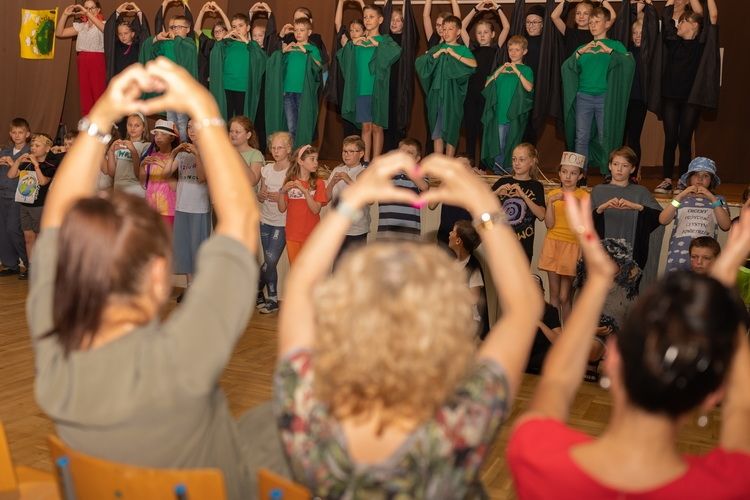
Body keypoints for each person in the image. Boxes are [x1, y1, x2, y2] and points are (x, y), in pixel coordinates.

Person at [29, 59, 294, 500]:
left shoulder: (53, 341)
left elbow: (56, 217)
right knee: (297, 424)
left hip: (103, 486)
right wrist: (205, 112)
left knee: (262, 421)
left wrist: (101, 116)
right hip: (219, 487)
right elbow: (243, 220)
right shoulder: (180, 362)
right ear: (157, 274)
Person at [273, 151, 543, 498]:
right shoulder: (461, 421)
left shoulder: (309, 411)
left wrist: (349, 203)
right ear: (444, 331)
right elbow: (525, 307)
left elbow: (299, 287)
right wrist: (485, 206)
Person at [507, 191, 750, 499]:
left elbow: (556, 381)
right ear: (711, 396)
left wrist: (597, 280)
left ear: (612, 362)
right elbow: (742, 407)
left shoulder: (537, 458)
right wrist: (723, 285)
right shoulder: (728, 487)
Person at [653, 0, 719, 195]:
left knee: (684, 139)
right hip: (670, 98)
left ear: (694, 25)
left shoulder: (701, 43)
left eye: (682, 21)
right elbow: (666, 19)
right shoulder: (673, 41)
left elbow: (712, 16)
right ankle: (666, 180)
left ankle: (683, 181)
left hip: (690, 100)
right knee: (670, 138)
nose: (678, 25)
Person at [561, 5, 634, 181]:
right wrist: (579, 53)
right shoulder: (583, 47)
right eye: (591, 22)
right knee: (581, 137)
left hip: (604, 98)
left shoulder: (615, 45)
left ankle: (607, 173)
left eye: (597, 22)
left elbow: (628, 63)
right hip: (583, 96)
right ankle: (581, 174)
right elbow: (567, 67)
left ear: (607, 23)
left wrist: (610, 51)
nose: (593, 25)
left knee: (605, 136)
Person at [337, 4, 402, 162]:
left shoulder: (384, 40)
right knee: (365, 127)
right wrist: (352, 45)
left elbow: (396, 51)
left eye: (371, 17)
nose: (367, 20)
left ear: (380, 20)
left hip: (377, 90)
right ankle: (365, 161)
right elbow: (344, 55)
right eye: (365, 17)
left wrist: (377, 44)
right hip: (361, 90)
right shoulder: (358, 42)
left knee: (377, 127)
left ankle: (376, 162)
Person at [591, 146, 661, 271]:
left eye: (625, 165)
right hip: (600, 256)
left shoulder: (641, 192)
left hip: (631, 255)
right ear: (609, 166)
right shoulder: (598, 190)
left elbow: (660, 217)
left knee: (626, 288)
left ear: (632, 169)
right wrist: (601, 209)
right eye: (616, 164)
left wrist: (638, 207)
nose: (619, 169)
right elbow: (584, 222)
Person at [416, 15, 477, 157]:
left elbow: (473, 65)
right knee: (437, 132)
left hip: (453, 96)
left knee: (451, 129)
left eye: (451, 29)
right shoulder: (437, 48)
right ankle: (439, 166)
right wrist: (436, 54)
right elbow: (420, 64)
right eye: (444, 29)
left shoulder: (462, 49)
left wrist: (454, 54)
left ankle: (448, 166)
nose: (447, 32)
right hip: (436, 96)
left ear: (458, 32)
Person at [538, 152, 587, 322]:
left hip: (572, 245)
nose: (568, 176)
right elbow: (549, 224)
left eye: (573, 173)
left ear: (580, 176)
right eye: (564, 172)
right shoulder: (553, 194)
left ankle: (567, 337)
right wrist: (551, 203)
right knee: (554, 295)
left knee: (566, 297)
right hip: (553, 243)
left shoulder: (584, 196)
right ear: (559, 173)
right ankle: (553, 334)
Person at [660, 157, 730, 272]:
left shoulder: (719, 200)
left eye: (706, 176)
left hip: (705, 258)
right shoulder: (680, 199)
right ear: (689, 178)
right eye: (696, 174)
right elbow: (663, 220)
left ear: (711, 180)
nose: (700, 179)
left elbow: (726, 225)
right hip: (678, 255)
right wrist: (680, 196)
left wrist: (712, 198)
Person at [461, 4, 511, 166]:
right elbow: (461, 27)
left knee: (484, 131)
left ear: (493, 34)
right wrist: (475, 9)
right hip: (471, 94)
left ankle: (482, 166)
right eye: (479, 33)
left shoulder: (497, 50)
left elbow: (507, 27)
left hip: (487, 96)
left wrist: (498, 8)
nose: (482, 36)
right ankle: (469, 165)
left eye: (486, 33)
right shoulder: (472, 49)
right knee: (470, 130)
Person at [139, 10, 197, 142]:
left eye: (178, 27)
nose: (175, 30)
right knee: (171, 121)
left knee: (182, 122)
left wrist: (174, 38)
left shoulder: (189, 44)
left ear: (188, 29)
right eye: (172, 27)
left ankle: (182, 147)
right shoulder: (168, 43)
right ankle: (173, 147)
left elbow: (182, 49)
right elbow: (151, 52)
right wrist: (156, 39)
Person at [7, 134, 60, 277]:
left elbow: (43, 182)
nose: (33, 148)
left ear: (47, 148)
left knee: (40, 237)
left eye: (37, 146)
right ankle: (30, 267)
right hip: (25, 204)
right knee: (28, 238)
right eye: (32, 146)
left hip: (40, 206)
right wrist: (17, 161)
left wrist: (36, 165)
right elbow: (11, 175)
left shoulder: (49, 164)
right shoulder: (27, 162)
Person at [168, 119, 211, 295]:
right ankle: (189, 287)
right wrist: (174, 152)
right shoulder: (183, 152)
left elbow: (202, 178)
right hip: (181, 205)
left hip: (199, 207)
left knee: (198, 248)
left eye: (196, 127)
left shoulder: (209, 152)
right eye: (189, 128)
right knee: (184, 248)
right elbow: (165, 173)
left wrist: (198, 155)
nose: (192, 131)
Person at [265, 18, 323, 147]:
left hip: (304, 94)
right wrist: (283, 52)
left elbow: (318, 66)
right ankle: (292, 156)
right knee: (291, 127)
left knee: (303, 126)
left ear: (309, 32)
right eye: (296, 30)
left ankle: (301, 154)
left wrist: (306, 52)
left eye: (302, 30)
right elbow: (276, 65)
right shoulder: (290, 48)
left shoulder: (312, 49)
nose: (298, 33)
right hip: (288, 92)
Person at [481, 35, 534, 174]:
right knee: (499, 146)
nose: (513, 53)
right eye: (511, 50)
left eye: (517, 50)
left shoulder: (526, 70)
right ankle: (499, 175)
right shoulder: (501, 70)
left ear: (524, 51)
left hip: (514, 116)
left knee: (512, 146)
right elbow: (487, 85)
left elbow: (529, 88)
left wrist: (516, 70)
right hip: (499, 115)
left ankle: (510, 174)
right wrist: (499, 71)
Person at [208, 9, 267, 122]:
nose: (237, 29)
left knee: (241, 120)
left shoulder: (252, 45)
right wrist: (225, 38)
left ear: (248, 28)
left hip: (243, 87)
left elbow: (262, 60)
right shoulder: (227, 44)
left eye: (240, 26)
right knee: (227, 119)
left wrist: (245, 40)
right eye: (234, 26)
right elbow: (215, 53)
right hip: (227, 86)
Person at [256, 132, 292, 314]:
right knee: (269, 262)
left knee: (270, 260)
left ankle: (255, 286)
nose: (276, 151)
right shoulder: (267, 169)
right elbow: (261, 194)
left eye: (280, 148)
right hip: (265, 220)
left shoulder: (291, 171)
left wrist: (281, 196)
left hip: (282, 222)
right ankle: (272, 298)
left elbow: (295, 198)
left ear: (288, 149)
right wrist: (261, 195)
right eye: (273, 148)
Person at [491, 143, 545, 262]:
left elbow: (541, 215)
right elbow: (479, 205)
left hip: (523, 248)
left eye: (521, 159)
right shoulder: (502, 181)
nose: (516, 163)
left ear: (532, 161)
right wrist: (496, 193)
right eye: (514, 159)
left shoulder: (536, 186)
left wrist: (523, 196)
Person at [277, 145, 328, 264]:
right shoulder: (289, 181)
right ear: (300, 161)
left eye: (316, 159)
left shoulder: (319, 183)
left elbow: (316, 210)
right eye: (312, 159)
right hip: (292, 235)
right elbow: (281, 208)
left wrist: (305, 191)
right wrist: (282, 192)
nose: (316, 162)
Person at [56, 2, 107, 116]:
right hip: (82, 60)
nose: (88, 10)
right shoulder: (81, 26)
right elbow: (59, 33)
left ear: (98, 10)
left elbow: (105, 30)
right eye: (86, 8)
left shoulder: (103, 24)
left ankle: (102, 123)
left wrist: (88, 14)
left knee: (98, 93)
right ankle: (87, 125)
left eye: (92, 8)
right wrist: (65, 14)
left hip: (97, 60)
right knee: (85, 94)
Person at [326, 136, 370, 260]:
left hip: (356, 229)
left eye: (351, 151)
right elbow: (326, 197)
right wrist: (331, 183)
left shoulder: (365, 172)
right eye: (345, 151)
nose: (346, 155)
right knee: (337, 268)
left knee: (353, 269)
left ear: (361, 153)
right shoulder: (337, 170)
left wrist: (349, 180)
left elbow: (369, 199)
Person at [376, 137, 427, 241]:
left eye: (410, 153)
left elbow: (424, 187)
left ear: (417, 159)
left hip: (409, 231)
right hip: (386, 230)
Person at [448, 219, 490, 340]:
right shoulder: (453, 263)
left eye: (453, 232)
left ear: (458, 240)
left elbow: (474, 298)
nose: (450, 233)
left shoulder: (473, 266)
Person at [0, 118, 31, 277]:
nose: (17, 135)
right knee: (3, 231)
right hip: (2, 194)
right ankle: (10, 264)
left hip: (17, 196)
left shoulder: (30, 152)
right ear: (10, 134)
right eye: (14, 132)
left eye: (20, 132)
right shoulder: (4, 150)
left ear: (27, 134)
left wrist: (13, 163)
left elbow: (27, 177)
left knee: (14, 229)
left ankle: (28, 263)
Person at [139, 119, 178, 228]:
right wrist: (142, 165)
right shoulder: (152, 155)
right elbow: (143, 183)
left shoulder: (175, 157)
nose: (158, 137)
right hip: (151, 208)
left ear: (172, 137)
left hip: (168, 208)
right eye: (156, 134)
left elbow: (175, 187)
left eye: (163, 134)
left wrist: (163, 166)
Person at [105, 113, 148, 197]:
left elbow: (139, 174)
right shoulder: (120, 144)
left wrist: (133, 150)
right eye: (130, 125)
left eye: (137, 125)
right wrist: (110, 151)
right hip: (118, 188)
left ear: (143, 128)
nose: (132, 128)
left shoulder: (146, 146)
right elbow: (112, 173)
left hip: (135, 189)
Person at [194, 1, 230, 88]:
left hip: (224, 82)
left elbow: (230, 29)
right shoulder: (210, 43)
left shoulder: (228, 44)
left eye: (221, 30)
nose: (217, 33)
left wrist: (219, 10)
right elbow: (196, 29)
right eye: (215, 31)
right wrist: (202, 12)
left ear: (226, 32)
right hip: (208, 81)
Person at [228, 116, 264, 186]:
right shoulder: (224, 153)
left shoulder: (255, 154)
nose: (233, 134)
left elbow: (252, 181)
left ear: (248, 135)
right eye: (231, 131)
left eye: (237, 132)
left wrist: (236, 153)